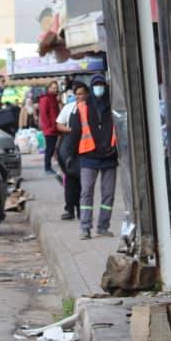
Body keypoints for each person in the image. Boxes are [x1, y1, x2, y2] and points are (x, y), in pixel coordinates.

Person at [62, 76, 116, 238]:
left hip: (110, 156)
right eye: (96, 85)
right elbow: (74, 133)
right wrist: (69, 156)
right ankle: (85, 228)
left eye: (101, 85)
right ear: (91, 89)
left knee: (108, 194)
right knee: (86, 193)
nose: (99, 88)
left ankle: (103, 226)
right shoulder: (82, 108)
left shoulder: (113, 106)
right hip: (88, 156)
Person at [55, 85, 84, 217]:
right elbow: (59, 124)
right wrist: (71, 130)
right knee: (71, 179)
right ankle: (70, 208)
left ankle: (81, 209)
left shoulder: (90, 108)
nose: (79, 97)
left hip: (84, 149)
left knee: (82, 181)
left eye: (81, 94)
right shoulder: (69, 108)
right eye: (77, 94)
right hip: (69, 149)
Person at [38, 82, 61, 175]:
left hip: (55, 128)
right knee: (50, 148)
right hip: (50, 129)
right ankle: (47, 167)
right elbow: (43, 114)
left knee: (53, 148)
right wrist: (49, 127)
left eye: (57, 88)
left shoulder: (54, 98)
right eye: (54, 88)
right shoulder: (45, 98)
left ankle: (49, 167)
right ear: (49, 88)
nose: (56, 89)